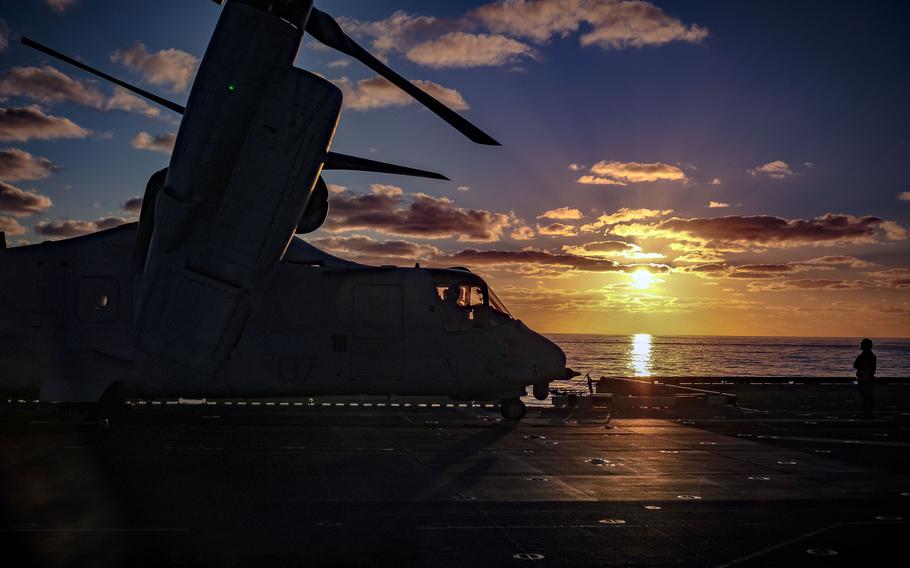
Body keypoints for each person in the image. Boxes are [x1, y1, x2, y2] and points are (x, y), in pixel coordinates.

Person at [853, 338, 876, 419]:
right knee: (867, 397)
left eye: (862, 344)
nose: (861, 346)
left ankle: (867, 413)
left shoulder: (864, 356)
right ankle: (867, 412)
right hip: (867, 378)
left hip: (864, 379)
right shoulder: (871, 356)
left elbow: (855, 365)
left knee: (866, 397)